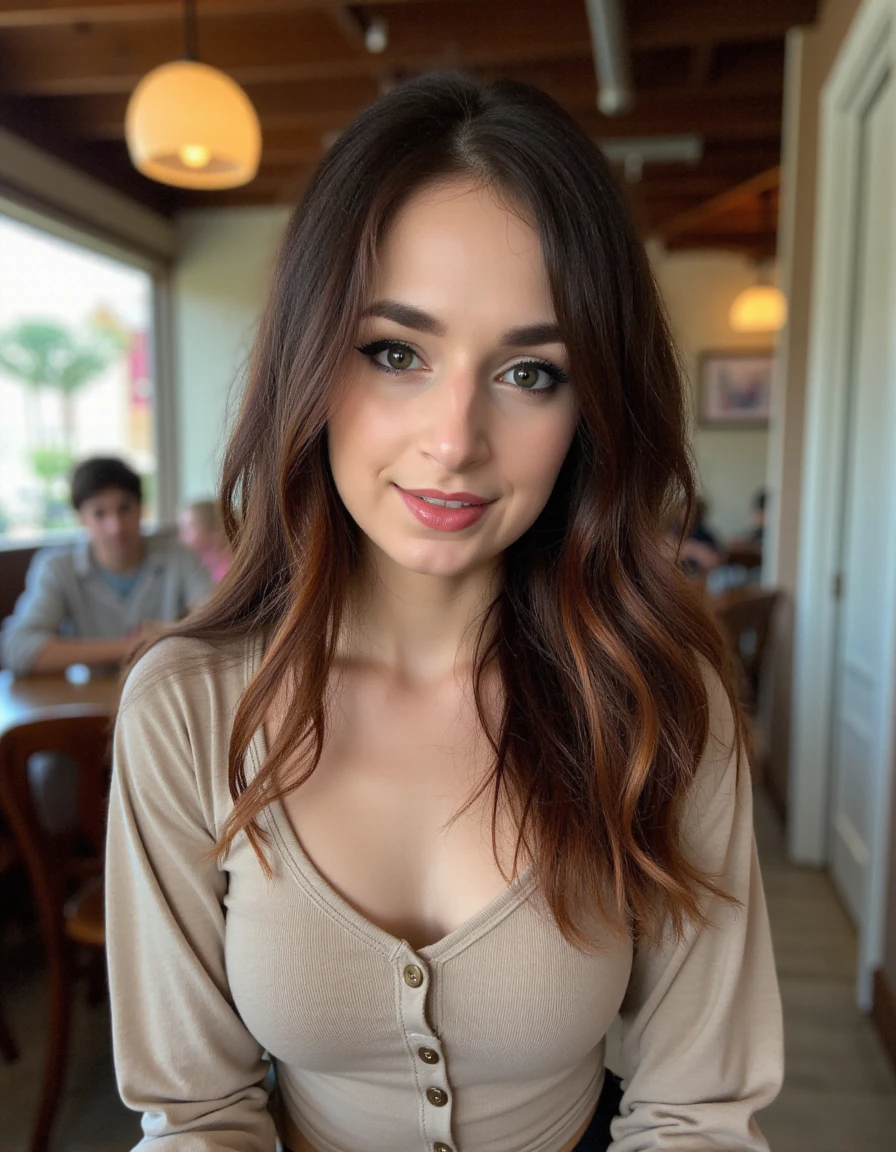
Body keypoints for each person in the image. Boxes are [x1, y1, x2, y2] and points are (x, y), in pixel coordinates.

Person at [106, 74, 783, 1152]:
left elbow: (695, 1112)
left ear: (591, 409)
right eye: (395, 352)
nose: (453, 437)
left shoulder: (658, 699)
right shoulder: (187, 710)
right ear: (310, 365)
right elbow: (195, 1112)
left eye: (528, 370)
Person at [0, 456, 212, 676]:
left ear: (141, 508)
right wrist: (131, 646)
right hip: (91, 702)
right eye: (99, 513)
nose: (116, 527)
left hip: (167, 693)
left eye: (124, 508)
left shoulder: (180, 554)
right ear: (81, 518)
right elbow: (18, 649)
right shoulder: (57, 568)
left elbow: (216, 623)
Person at [177, 497, 232, 583]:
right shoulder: (202, 555)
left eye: (190, 527)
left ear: (214, 531)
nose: (182, 533)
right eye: (182, 527)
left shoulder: (228, 566)